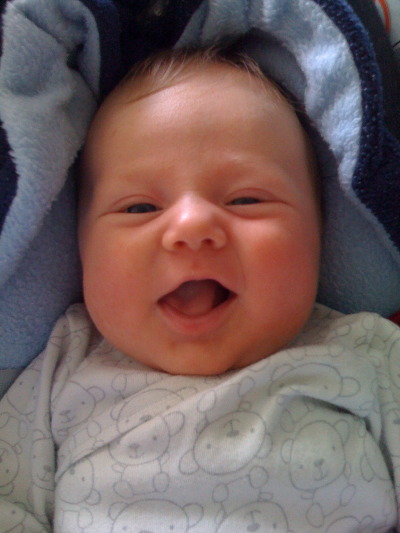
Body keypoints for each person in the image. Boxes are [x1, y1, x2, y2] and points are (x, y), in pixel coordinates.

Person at [1, 47, 400, 533]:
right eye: (139, 208)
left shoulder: (368, 353)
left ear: (319, 237)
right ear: (81, 250)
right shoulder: (62, 366)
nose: (191, 225)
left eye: (246, 199)